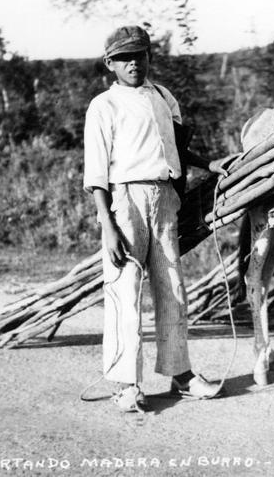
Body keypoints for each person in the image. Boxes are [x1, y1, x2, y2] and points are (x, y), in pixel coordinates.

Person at [83, 25, 226, 412]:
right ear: (110, 63)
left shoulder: (164, 97)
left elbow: (178, 148)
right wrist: (107, 225)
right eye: (125, 58)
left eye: (140, 55)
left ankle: (182, 374)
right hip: (124, 199)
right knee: (124, 292)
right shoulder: (104, 105)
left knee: (172, 288)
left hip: (164, 197)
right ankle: (126, 383)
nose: (134, 63)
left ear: (150, 57)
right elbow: (96, 172)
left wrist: (207, 163)